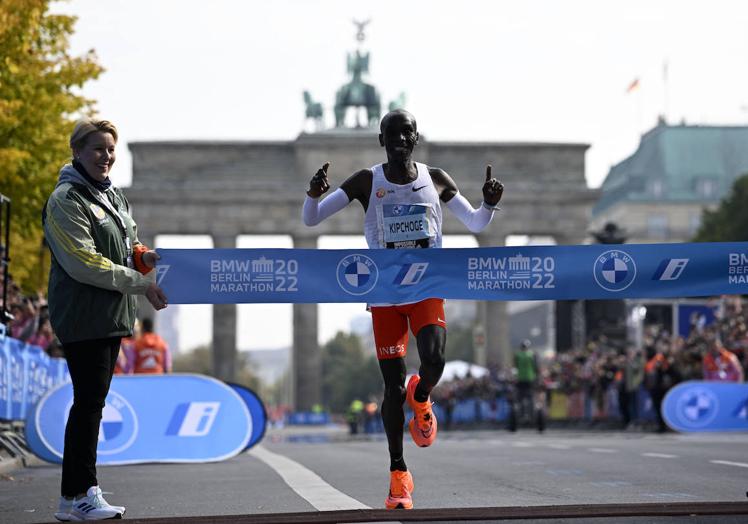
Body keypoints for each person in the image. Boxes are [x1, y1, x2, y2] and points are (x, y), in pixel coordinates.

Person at [302, 109, 503, 510]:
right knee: (391, 389)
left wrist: (489, 203)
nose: (398, 140)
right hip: (385, 295)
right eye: (390, 134)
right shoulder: (365, 180)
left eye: (405, 133)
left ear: (415, 138)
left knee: (434, 358)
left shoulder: (437, 179)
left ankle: (424, 394)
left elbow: (477, 224)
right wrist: (313, 194)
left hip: (427, 288)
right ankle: (398, 473)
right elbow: (311, 221)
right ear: (381, 141)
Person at [43, 118, 167, 521]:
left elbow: (126, 244)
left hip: (110, 315)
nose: (106, 156)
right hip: (83, 314)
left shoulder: (112, 196)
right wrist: (140, 282)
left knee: (91, 404)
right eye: (97, 149)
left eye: (111, 149)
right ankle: (78, 495)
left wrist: (142, 256)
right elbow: (83, 262)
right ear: (77, 152)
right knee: (88, 405)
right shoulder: (67, 199)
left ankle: (80, 493)